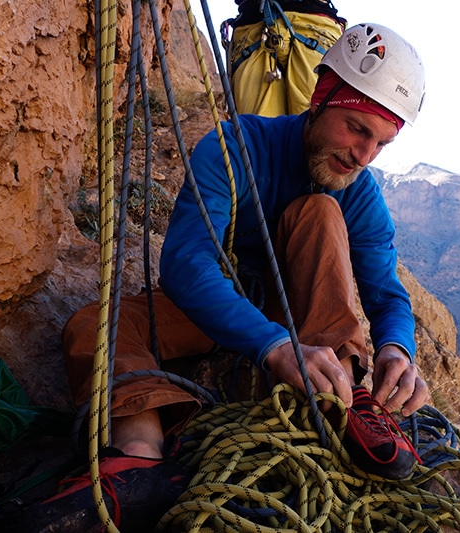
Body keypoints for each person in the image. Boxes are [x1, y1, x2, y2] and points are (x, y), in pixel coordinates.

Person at [23, 22, 428, 531]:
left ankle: (343, 397)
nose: (362, 155)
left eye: (380, 144)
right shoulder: (236, 146)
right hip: (228, 305)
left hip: (299, 323)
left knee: (321, 211)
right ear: (321, 98)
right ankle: (139, 460)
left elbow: (386, 293)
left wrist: (397, 348)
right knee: (95, 325)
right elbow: (188, 264)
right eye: (356, 128)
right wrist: (272, 345)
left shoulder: (359, 192)